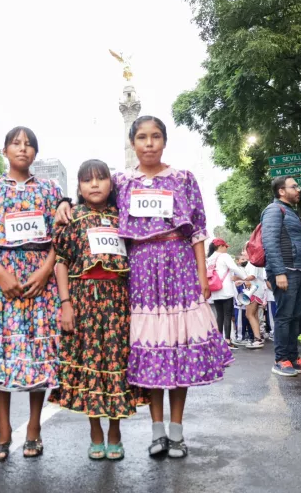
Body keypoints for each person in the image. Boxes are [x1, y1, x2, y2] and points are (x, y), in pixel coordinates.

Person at [55, 116, 233, 459]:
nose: (149, 143)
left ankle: (177, 432)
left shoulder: (183, 179)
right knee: (151, 348)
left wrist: (201, 275)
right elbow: (96, 199)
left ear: (164, 141)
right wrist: (63, 200)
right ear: (133, 143)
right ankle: (156, 432)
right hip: (139, 271)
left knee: (180, 349)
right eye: (141, 137)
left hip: (179, 266)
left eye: (155, 137)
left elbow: (197, 230)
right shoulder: (122, 180)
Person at [0, 126, 61, 461]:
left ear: (35, 152)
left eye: (29, 144)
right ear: (5, 150)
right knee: (0, 351)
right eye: (16, 143)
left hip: (39, 277)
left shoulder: (50, 188)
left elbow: (59, 236)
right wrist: (0, 273)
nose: (23, 148)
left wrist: (45, 270)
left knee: (37, 352)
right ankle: (4, 430)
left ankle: (33, 427)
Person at [48, 159, 146, 461]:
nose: (94, 185)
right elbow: (61, 260)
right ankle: (95, 432)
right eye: (87, 180)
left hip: (118, 300)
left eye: (101, 179)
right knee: (90, 362)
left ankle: (115, 432)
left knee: (115, 362)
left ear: (111, 184)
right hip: (82, 299)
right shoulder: (71, 218)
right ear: (78, 186)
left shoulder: (123, 218)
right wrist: (66, 304)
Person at [261, 176, 301, 377]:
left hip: (300, 271)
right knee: (285, 316)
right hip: (287, 270)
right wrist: (279, 272)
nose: (298, 190)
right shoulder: (274, 210)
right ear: (281, 191)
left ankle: (293, 359)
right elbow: (270, 242)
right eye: (294, 187)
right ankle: (281, 360)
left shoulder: (291, 212)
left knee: (296, 316)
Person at [207, 239, 254, 349]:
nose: (227, 248)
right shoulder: (224, 256)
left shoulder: (210, 258)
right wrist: (245, 277)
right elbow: (234, 268)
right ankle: (227, 340)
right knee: (227, 315)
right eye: (226, 246)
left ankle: (219, 340)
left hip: (215, 289)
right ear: (221, 246)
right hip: (225, 289)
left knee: (220, 315)